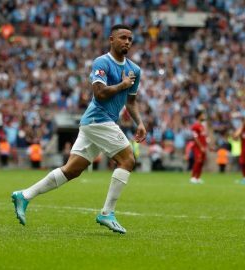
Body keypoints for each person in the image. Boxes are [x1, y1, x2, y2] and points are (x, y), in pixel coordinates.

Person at [11, 24, 146, 235]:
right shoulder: (102, 62)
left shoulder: (134, 70)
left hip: (99, 123)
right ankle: (107, 213)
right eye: (123, 38)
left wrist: (140, 123)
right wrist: (122, 84)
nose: (127, 42)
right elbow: (100, 93)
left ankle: (24, 195)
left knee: (72, 170)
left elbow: (131, 102)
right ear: (111, 39)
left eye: (130, 39)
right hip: (98, 119)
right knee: (128, 160)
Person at [189, 111, 208, 184]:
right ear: (199, 116)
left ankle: (198, 178)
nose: (204, 116)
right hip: (197, 147)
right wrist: (201, 147)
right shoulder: (195, 126)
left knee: (202, 162)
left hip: (203, 146)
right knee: (197, 161)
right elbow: (195, 138)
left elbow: (204, 137)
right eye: (202, 115)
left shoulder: (202, 126)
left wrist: (206, 146)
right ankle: (193, 177)